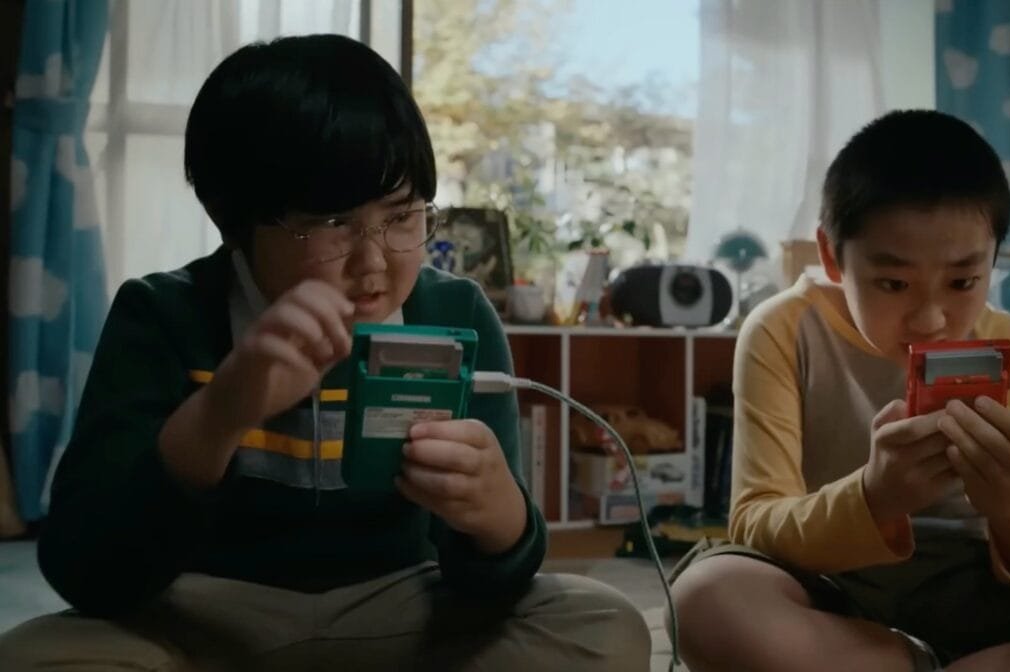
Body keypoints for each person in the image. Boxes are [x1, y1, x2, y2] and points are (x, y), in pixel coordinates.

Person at [0, 34, 649, 672]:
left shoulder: (454, 315)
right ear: (237, 222)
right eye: (333, 223)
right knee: (35, 657)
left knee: (605, 627)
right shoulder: (163, 317)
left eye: (402, 216)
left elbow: (490, 584)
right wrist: (219, 413)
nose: (374, 263)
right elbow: (86, 573)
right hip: (203, 616)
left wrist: (500, 518)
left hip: (401, 609)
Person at [667, 110, 1010, 672]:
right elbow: (755, 522)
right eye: (893, 283)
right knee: (706, 599)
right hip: (828, 584)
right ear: (831, 256)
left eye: (963, 281)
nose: (930, 320)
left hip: (979, 588)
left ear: (993, 259)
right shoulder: (783, 329)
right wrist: (873, 497)